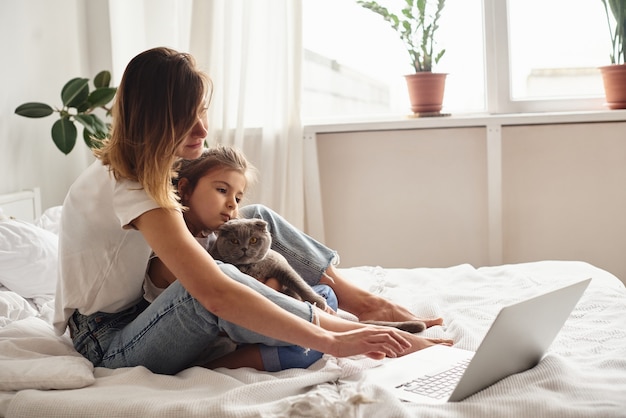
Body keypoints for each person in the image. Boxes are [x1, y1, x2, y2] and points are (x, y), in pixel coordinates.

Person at [53, 47, 452, 376]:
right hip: (105, 340)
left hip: (140, 310)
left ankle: (360, 303)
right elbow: (214, 293)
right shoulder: (129, 187)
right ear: (154, 119)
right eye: (185, 118)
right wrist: (337, 341)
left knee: (254, 216)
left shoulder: (151, 170)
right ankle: (350, 323)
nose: (203, 131)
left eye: (202, 112)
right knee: (213, 284)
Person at [144, 146, 448, 370]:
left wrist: (280, 290)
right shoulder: (171, 248)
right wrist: (272, 292)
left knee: (315, 286)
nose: (231, 205)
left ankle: (370, 306)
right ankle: (349, 329)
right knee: (304, 331)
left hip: (232, 321)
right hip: (197, 337)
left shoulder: (212, 234)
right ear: (183, 189)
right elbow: (222, 298)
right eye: (221, 190)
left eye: (237, 197)